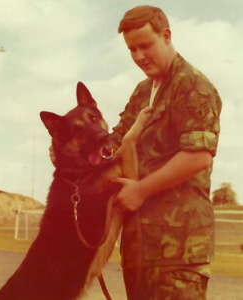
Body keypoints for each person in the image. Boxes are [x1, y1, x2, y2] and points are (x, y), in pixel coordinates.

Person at [50, 5, 222, 300]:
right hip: (139, 248)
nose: (139, 56)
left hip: (178, 253)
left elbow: (199, 155)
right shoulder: (143, 91)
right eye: (132, 49)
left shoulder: (193, 86)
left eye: (146, 46)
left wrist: (141, 190)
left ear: (166, 36)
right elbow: (114, 142)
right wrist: (67, 155)